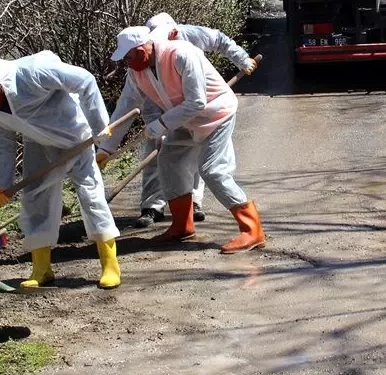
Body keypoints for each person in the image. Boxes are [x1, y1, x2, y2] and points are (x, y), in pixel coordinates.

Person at [0, 52, 121, 290]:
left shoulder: (33, 72)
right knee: (35, 199)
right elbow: (3, 143)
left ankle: (109, 264)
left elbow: (84, 80)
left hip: (75, 137)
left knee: (90, 195)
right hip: (38, 144)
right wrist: (2, 184)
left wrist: (99, 126)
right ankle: (41, 269)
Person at [96, 25, 266, 254]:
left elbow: (197, 102)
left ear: (143, 48)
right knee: (168, 162)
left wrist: (162, 124)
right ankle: (182, 225)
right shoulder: (137, 72)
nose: (127, 62)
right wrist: (106, 148)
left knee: (212, 170)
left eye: (129, 55)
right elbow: (125, 107)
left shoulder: (182, 54)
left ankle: (252, 230)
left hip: (216, 115)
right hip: (183, 120)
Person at [131, 13, 258, 228]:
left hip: (203, 109)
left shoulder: (186, 41)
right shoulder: (147, 59)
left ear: (174, 31)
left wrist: (242, 59)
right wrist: (158, 124)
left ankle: (197, 203)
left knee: (207, 163)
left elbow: (219, 40)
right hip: (172, 112)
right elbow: (150, 99)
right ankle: (155, 207)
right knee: (165, 157)